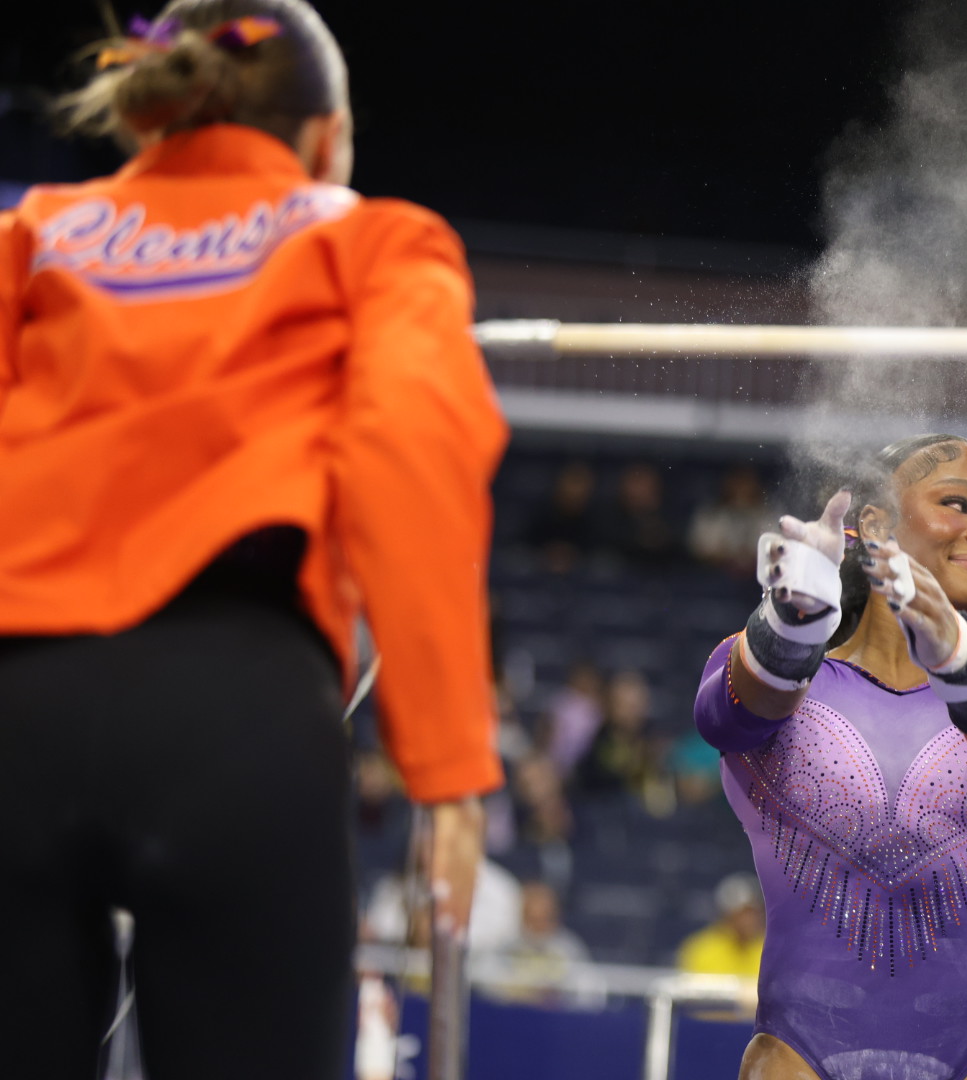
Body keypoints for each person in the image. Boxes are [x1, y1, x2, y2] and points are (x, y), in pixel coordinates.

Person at [0, 2, 506, 1075]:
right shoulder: (377, 238)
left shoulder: (34, 231)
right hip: (238, 722)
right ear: (329, 138)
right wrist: (447, 770)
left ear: (156, 114)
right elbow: (412, 459)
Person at [694, 434, 967, 1080]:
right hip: (797, 1055)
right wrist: (792, 626)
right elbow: (729, 713)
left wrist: (960, 656)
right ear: (876, 525)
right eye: (957, 503)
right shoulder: (779, 680)